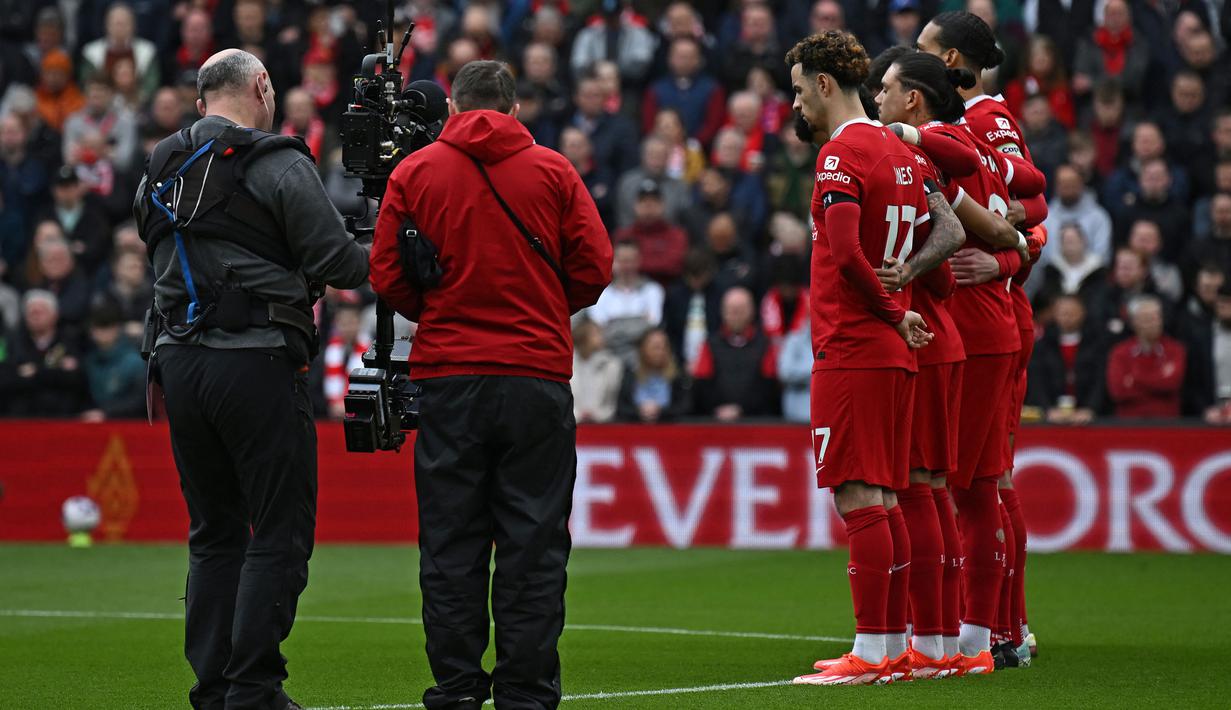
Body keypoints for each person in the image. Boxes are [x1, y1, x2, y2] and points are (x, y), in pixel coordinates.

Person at [369, 60, 612, 710]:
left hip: (449, 377)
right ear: (514, 109)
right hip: (535, 375)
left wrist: (438, 312)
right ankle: (526, 693)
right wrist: (544, 307)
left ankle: (456, 688)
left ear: (452, 108)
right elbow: (595, 266)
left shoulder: (415, 172)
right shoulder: (553, 171)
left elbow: (386, 275)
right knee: (534, 545)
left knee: (451, 544)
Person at [133, 49, 370, 710]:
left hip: (178, 363)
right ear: (263, 86)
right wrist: (389, 245)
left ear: (201, 100)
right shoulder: (278, 163)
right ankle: (254, 689)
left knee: (214, 532)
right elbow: (341, 265)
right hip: (257, 358)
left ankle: (214, 688)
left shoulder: (159, 166)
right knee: (278, 530)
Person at [784, 30, 962, 686]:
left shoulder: (841, 154)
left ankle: (872, 648)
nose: (796, 104)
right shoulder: (902, 152)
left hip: (854, 344)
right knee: (888, 495)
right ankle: (895, 646)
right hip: (889, 350)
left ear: (824, 84)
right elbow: (944, 244)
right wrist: (905, 302)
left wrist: (892, 309)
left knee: (859, 495)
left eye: (799, 90)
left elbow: (844, 255)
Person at [690, 286, 778, 420]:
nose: (736, 315)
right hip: (716, 421)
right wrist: (719, 408)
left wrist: (742, 409)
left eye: (741, 310)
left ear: (752, 311)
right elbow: (702, 385)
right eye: (731, 310)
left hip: (756, 421)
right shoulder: (709, 344)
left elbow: (769, 387)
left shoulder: (765, 344)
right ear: (723, 312)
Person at [1106, 295, 1186, 418]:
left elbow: (1172, 384)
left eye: (1156, 318)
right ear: (1134, 322)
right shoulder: (1120, 352)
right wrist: (1159, 379)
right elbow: (1118, 391)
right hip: (1129, 423)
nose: (1153, 323)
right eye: (1146, 319)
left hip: (1167, 422)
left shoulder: (1175, 349)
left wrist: (1134, 379)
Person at [571, 317, 623, 423]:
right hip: (573, 420)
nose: (601, 337)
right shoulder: (568, 362)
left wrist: (597, 415)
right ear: (582, 338)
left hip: (602, 422)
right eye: (595, 334)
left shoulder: (612, 364)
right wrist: (578, 414)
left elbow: (611, 400)